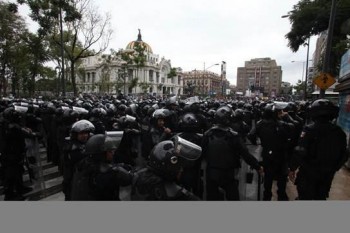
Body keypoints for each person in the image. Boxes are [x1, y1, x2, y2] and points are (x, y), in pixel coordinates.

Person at [288, 99, 348, 200]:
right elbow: (345, 153)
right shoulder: (339, 132)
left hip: (308, 174)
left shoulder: (309, 130)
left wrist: (292, 168)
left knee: (305, 198)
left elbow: (300, 151)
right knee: (321, 197)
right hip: (327, 175)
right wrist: (334, 168)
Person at [202, 105, 264, 200]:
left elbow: (202, 152)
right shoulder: (233, 136)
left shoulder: (207, 134)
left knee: (212, 197)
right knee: (233, 198)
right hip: (228, 173)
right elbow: (245, 154)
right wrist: (257, 166)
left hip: (212, 172)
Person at [131, 136, 201, 200]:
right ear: (169, 168)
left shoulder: (137, 177)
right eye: (179, 167)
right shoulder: (178, 195)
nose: (181, 170)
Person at [70, 133, 133, 200]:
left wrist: (119, 165)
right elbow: (130, 178)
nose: (113, 152)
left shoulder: (83, 164)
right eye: (110, 151)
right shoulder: (110, 172)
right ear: (102, 153)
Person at [254, 102, 294, 201]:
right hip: (281, 156)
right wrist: (287, 116)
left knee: (268, 179)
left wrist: (261, 142)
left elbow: (251, 136)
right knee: (281, 180)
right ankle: (281, 196)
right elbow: (294, 127)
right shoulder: (283, 124)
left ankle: (267, 197)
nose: (282, 113)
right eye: (280, 112)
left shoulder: (260, 123)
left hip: (267, 155)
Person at [62, 119, 95, 201]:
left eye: (86, 133)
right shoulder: (73, 148)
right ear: (75, 134)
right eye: (82, 133)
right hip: (73, 180)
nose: (85, 135)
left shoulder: (82, 144)